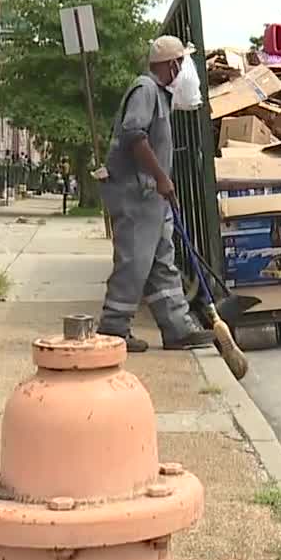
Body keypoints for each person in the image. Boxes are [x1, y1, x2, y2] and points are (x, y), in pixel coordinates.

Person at [97, 35, 217, 353]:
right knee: (134, 262)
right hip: (135, 193)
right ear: (172, 64)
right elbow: (134, 136)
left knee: (162, 263)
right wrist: (162, 179)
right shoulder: (145, 89)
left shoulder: (162, 97)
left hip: (152, 197)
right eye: (183, 62)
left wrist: (162, 186)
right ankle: (112, 329)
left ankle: (177, 329)